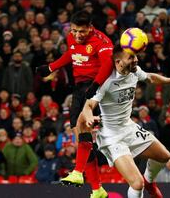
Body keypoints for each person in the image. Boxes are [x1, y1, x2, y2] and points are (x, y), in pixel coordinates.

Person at [79, 44, 170, 198]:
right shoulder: (106, 81)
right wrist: (89, 116)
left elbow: (150, 77)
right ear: (118, 62)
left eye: (135, 56)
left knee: (164, 156)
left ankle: (150, 181)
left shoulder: (134, 71)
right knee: (137, 184)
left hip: (128, 127)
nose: (136, 60)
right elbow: (88, 105)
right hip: (112, 138)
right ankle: (143, 185)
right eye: (131, 57)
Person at [36, 10, 113, 198]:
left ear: (91, 28)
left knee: (83, 129)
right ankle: (97, 189)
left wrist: (95, 87)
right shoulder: (71, 37)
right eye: (74, 31)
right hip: (79, 88)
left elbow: (107, 66)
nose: (77, 35)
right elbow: (71, 55)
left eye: (82, 32)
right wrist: (51, 67)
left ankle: (78, 173)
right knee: (80, 137)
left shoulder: (102, 42)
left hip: (97, 88)